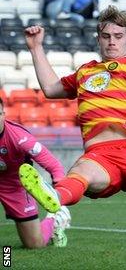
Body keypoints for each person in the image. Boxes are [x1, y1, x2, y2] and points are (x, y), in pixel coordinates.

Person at [22, 5, 126, 269]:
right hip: (101, 154)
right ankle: (55, 197)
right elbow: (51, 89)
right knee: (83, 173)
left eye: (118, 35)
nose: (112, 41)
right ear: (98, 38)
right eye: (106, 36)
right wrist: (35, 48)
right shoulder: (85, 72)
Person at [0, 98, 71, 249]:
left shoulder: (20, 138)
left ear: (3, 114)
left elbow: (54, 165)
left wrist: (60, 192)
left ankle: (55, 220)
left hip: (14, 185)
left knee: (34, 244)